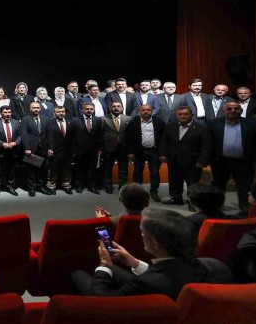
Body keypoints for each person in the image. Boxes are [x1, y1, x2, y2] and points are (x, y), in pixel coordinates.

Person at [71, 208, 233, 300]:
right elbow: (167, 272)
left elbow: (103, 302)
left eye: (143, 233)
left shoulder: (144, 283)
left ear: (154, 243)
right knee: (113, 270)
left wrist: (105, 264)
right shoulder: (214, 265)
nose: (141, 236)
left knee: (78, 274)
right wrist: (134, 262)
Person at [207, 100, 256, 213]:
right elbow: (208, 143)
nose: (233, 110)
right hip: (220, 162)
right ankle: (217, 208)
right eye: (229, 108)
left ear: (241, 110)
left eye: (236, 108)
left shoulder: (253, 124)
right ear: (223, 110)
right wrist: (206, 160)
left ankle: (244, 208)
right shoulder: (212, 124)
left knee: (245, 186)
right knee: (218, 186)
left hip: (245, 162)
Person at [159, 106, 211, 206]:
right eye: (180, 114)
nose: (183, 116)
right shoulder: (170, 126)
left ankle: (192, 201)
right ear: (177, 115)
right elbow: (164, 141)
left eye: (186, 114)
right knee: (174, 182)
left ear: (192, 115)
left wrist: (202, 161)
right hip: (174, 160)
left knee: (193, 183)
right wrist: (162, 154)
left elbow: (206, 146)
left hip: (193, 162)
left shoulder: (201, 128)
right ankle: (176, 198)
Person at [125, 104, 165, 202]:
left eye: (148, 110)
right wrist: (130, 152)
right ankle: (137, 192)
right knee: (137, 172)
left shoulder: (159, 122)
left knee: (155, 172)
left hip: (154, 151)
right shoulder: (133, 122)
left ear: (152, 111)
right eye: (143, 110)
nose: (146, 111)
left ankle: (154, 192)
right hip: (139, 151)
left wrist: (162, 153)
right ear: (139, 112)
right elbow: (129, 138)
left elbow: (164, 139)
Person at [0, 104, 20, 196]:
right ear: (1, 113)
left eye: (9, 112)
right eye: (5, 112)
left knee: (11, 170)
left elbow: (21, 135)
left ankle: (10, 186)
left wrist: (15, 143)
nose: (7, 114)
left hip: (13, 150)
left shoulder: (16, 122)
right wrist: (2, 143)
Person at [102, 101, 131, 193]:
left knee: (123, 169)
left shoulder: (128, 118)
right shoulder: (103, 119)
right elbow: (100, 134)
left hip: (123, 147)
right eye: (114, 106)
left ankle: (122, 186)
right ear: (110, 108)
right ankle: (108, 186)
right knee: (108, 168)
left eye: (118, 106)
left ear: (122, 108)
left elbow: (131, 134)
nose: (116, 108)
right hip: (108, 147)